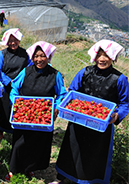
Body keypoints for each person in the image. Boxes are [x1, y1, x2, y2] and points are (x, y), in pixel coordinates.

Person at [53, 40, 129, 184]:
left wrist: (117, 115)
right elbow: (73, 91)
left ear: (113, 57)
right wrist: (73, 106)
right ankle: (61, 177)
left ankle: (90, 181)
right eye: (99, 55)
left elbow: (125, 103)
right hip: (79, 119)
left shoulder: (119, 79)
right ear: (94, 56)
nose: (102, 59)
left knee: (96, 153)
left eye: (106, 56)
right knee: (72, 147)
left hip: (102, 123)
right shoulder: (85, 72)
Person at [6, 41, 67, 181]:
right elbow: (15, 87)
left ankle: (29, 169)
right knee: (20, 141)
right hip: (24, 113)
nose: (39, 59)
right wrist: (14, 102)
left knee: (38, 143)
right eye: (36, 56)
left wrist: (56, 108)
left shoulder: (55, 75)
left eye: (42, 56)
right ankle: (13, 170)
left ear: (49, 57)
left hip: (44, 115)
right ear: (32, 57)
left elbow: (62, 94)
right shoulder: (26, 71)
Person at [0, 28, 31, 134]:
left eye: (15, 40)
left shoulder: (25, 54)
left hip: (20, 86)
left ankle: (16, 130)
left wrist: (20, 81)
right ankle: (1, 130)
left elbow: (29, 68)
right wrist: (9, 81)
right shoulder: (2, 54)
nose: (13, 43)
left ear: (19, 40)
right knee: (4, 109)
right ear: (6, 42)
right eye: (10, 40)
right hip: (5, 87)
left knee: (18, 109)